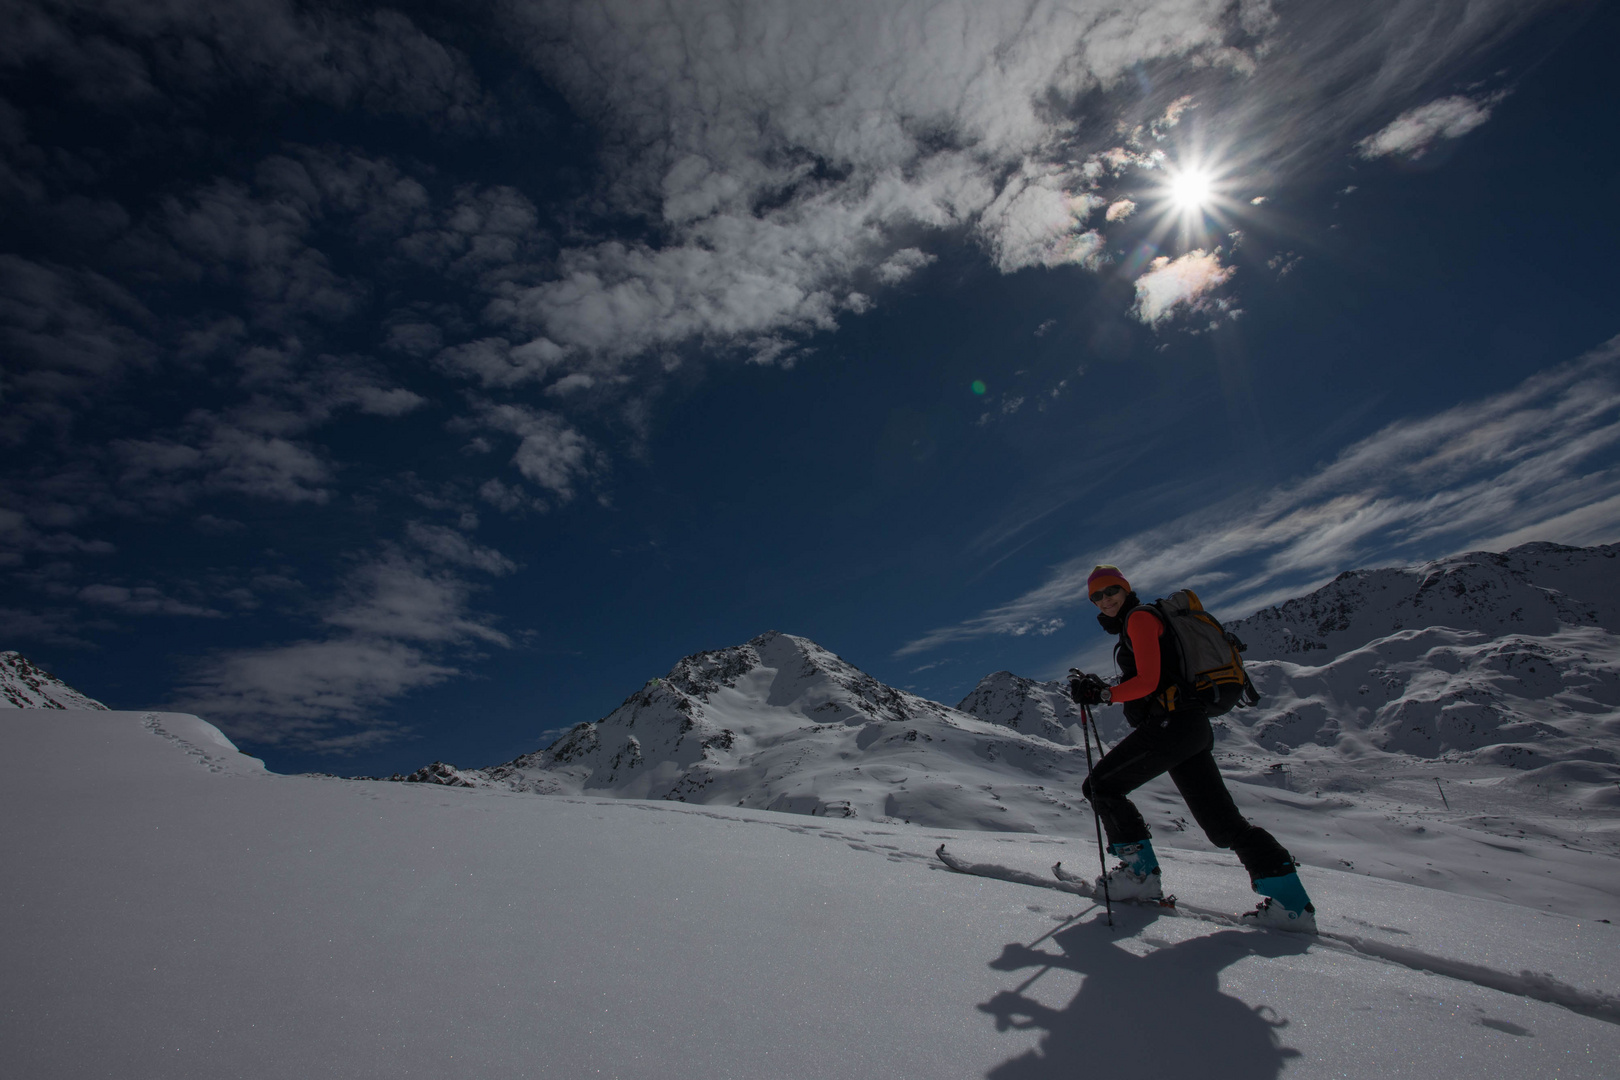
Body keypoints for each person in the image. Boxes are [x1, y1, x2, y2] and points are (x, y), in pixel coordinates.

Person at [1068, 564, 1316, 930]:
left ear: (1125, 589)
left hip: (1173, 725)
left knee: (1102, 785)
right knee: (1223, 824)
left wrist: (1103, 693)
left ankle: (1140, 877)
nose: (1105, 600)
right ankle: (1291, 903)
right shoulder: (1137, 623)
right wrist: (1103, 689)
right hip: (1189, 727)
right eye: (1097, 596)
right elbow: (1153, 678)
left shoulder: (1138, 618)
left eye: (1111, 591)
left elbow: (1148, 682)